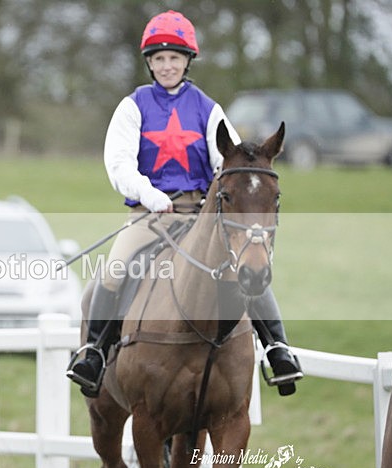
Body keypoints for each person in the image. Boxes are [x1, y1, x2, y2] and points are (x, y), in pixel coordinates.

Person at [66, 10, 303, 397]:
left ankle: (278, 348)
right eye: (159, 59)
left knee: (249, 266)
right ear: (149, 63)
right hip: (149, 215)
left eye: (174, 58)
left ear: (187, 60)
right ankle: (93, 353)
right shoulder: (133, 106)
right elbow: (119, 164)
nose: (167, 65)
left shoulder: (209, 110)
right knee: (114, 268)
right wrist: (149, 194)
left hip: (201, 215)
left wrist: (212, 201)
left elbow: (226, 163)